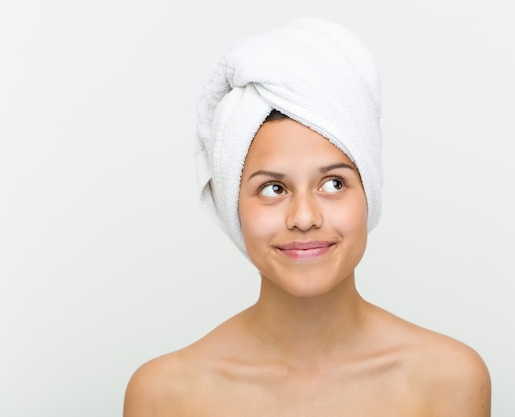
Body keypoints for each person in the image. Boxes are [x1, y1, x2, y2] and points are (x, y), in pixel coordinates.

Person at [123, 17, 491, 417]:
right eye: (273, 188)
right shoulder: (164, 395)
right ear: (234, 208)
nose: (304, 217)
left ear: (369, 193)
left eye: (333, 184)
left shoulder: (448, 380)